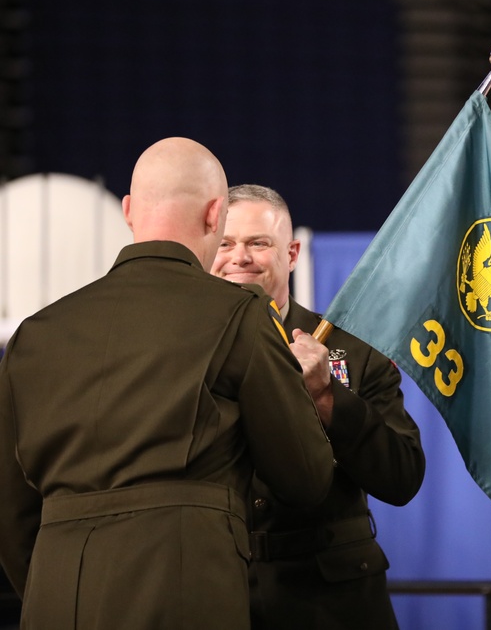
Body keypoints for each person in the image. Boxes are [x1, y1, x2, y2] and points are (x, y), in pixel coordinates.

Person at [0, 138, 335, 629]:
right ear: (215, 214)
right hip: (184, 593)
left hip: (55, 597)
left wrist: (59, 583)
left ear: (129, 211)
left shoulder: (35, 334)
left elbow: (12, 513)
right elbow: (304, 476)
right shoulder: (241, 315)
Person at [211, 184, 425, 630]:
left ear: (291, 253)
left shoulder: (355, 350)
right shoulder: (179, 352)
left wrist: (328, 396)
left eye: (258, 243)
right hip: (217, 593)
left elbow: (402, 477)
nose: (239, 257)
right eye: (225, 243)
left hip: (329, 601)